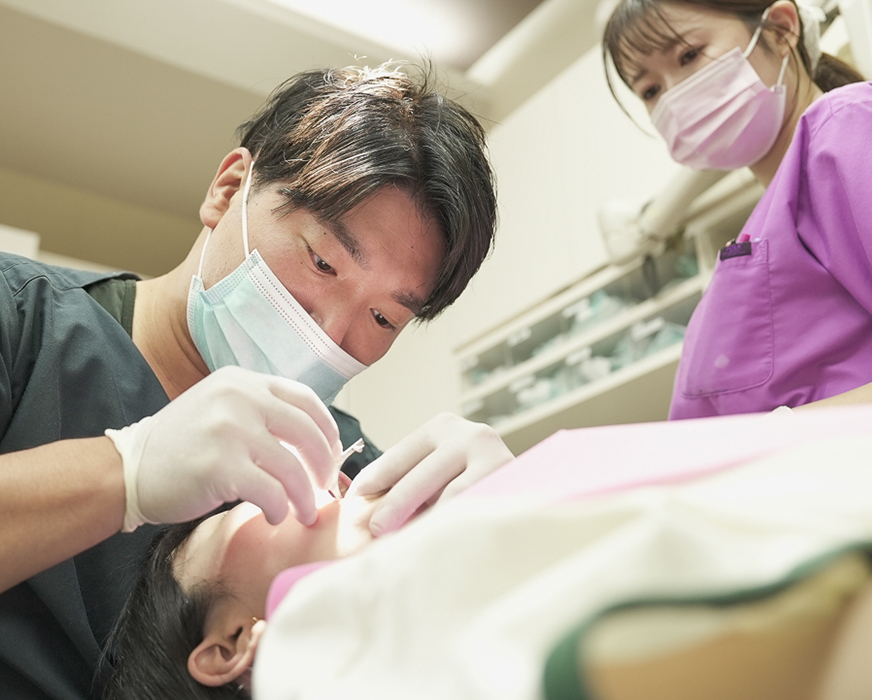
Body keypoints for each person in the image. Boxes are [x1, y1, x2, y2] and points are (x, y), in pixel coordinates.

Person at [0, 63, 514, 700]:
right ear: (228, 189)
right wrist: (125, 473)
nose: (330, 332)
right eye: (322, 261)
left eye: (384, 317)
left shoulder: (344, 463)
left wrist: (510, 526)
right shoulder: (22, 319)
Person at [103, 405, 872, 700]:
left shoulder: (475, 557)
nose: (328, 476)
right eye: (252, 504)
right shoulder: (325, 655)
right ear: (234, 643)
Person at [601, 0, 872, 419]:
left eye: (689, 55)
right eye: (650, 90)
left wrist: (780, 433)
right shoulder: (758, 238)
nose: (673, 96)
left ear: (781, 29)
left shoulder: (846, 128)